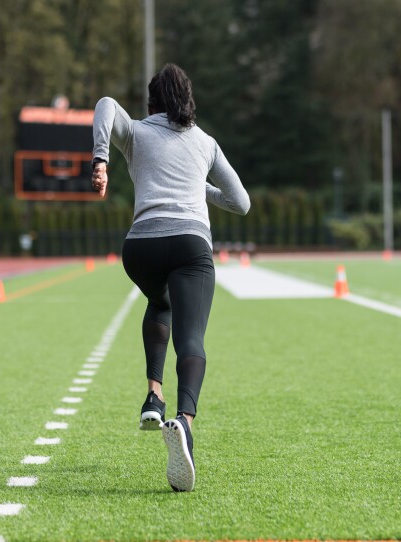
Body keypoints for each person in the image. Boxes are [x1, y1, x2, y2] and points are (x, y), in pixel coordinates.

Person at [91, 64, 250, 492]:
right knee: (192, 337)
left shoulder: (138, 133)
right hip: (189, 247)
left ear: (152, 102)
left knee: (159, 300)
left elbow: (106, 105)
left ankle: (153, 395)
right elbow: (241, 202)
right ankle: (184, 421)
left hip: (139, 247)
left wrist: (101, 158)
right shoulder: (206, 143)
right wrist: (201, 190)